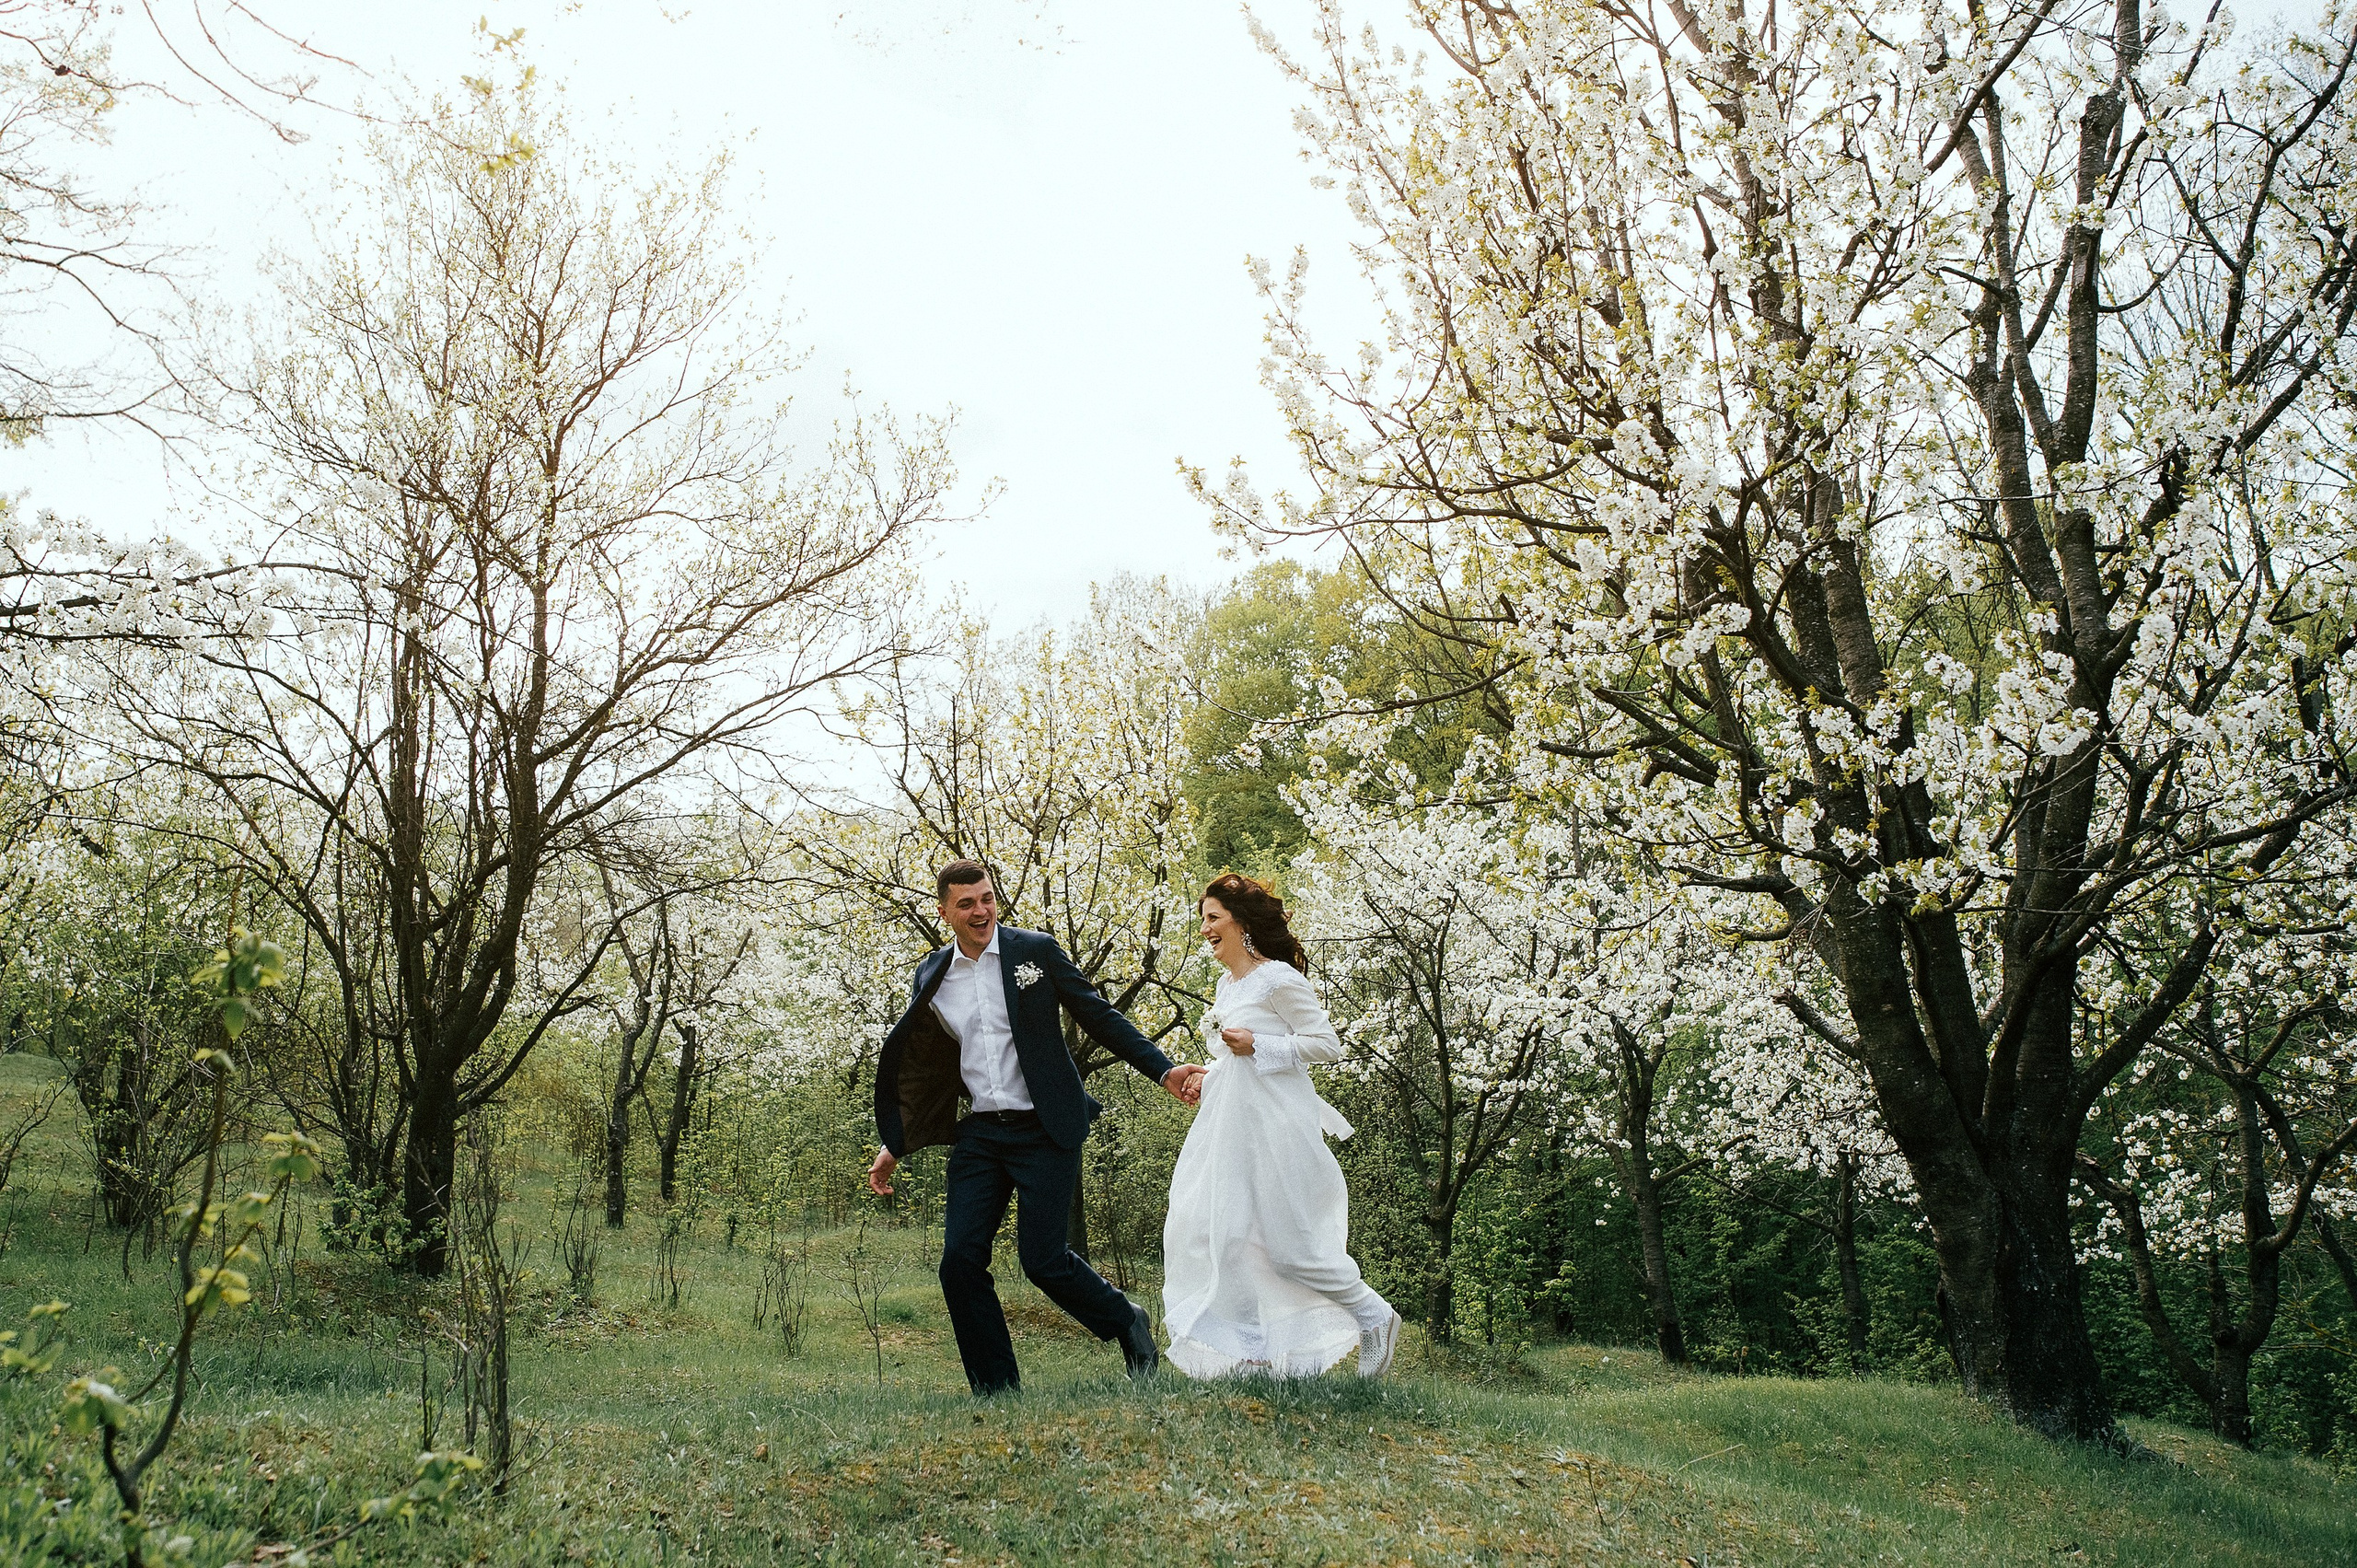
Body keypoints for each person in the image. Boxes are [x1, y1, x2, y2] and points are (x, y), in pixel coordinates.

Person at [868, 859, 1206, 1395]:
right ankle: (997, 1391)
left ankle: (1124, 1318)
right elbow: (931, 1067)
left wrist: (1164, 1071)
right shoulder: (932, 974)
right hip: (981, 1133)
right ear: (944, 912)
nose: (980, 911)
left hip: (1045, 1127)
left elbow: (1097, 1015)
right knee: (959, 1262)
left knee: (1043, 1261)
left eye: (986, 898)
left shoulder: (1035, 951)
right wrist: (897, 1143)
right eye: (966, 904)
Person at [1161, 872, 1402, 1379]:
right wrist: (1211, 1073)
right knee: (1226, 1236)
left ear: (1242, 923)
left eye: (1213, 918)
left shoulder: (1279, 979)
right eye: (1203, 919)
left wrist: (1259, 1045)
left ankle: (1373, 1316)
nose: (1204, 929)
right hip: (1230, 1128)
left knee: (1290, 1248)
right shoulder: (1228, 985)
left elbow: (1326, 1045)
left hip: (1276, 1126)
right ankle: (1253, 1354)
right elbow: (1237, 1058)